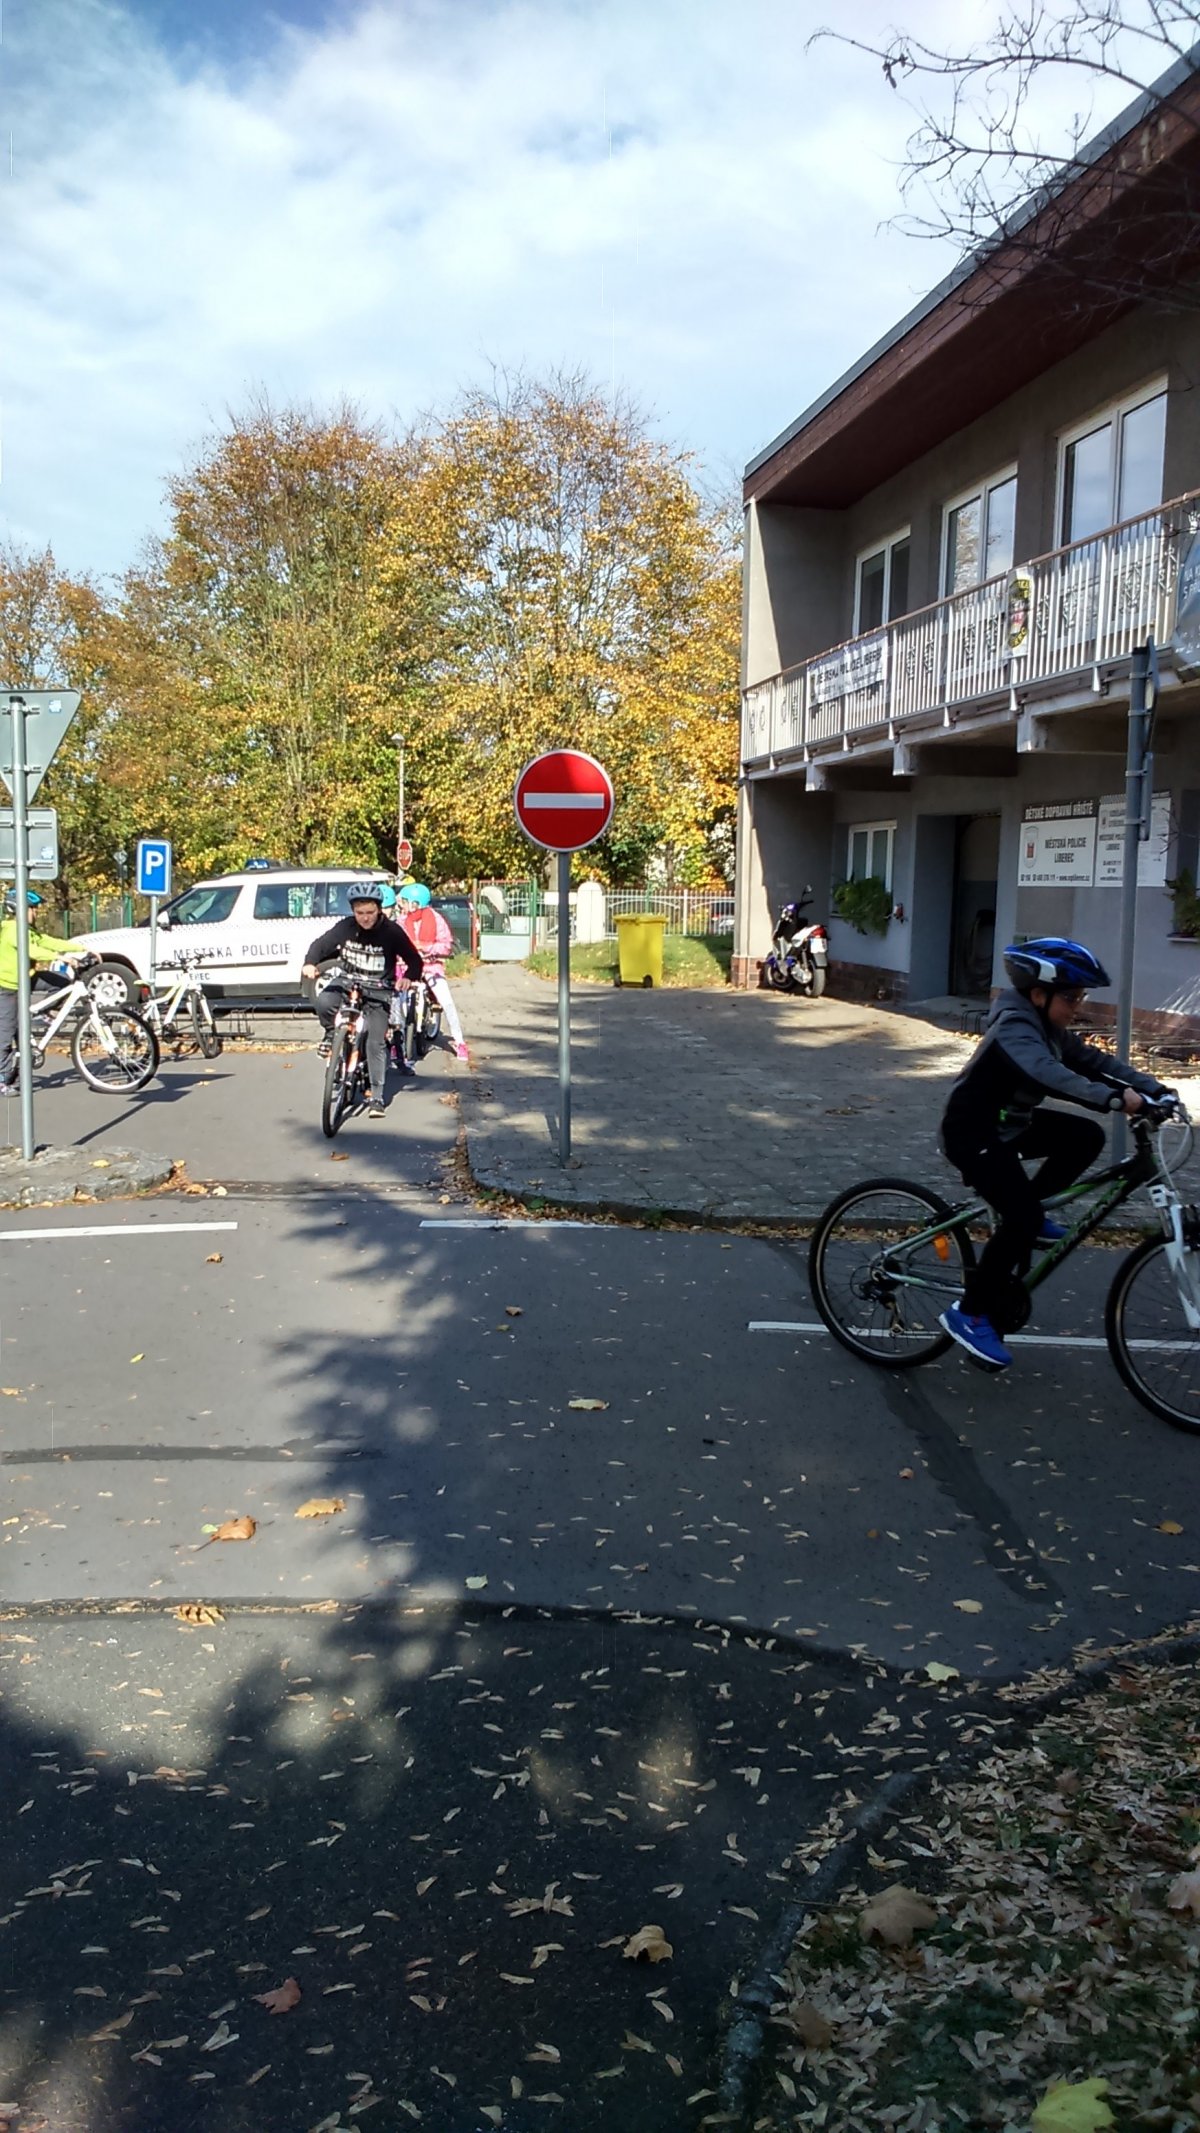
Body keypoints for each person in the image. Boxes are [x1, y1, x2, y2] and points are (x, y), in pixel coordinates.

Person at [938, 936, 1173, 1371]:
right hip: (971, 1131)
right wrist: (1115, 1099)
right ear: (1038, 994)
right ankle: (969, 1314)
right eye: (1071, 997)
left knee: (1085, 1137)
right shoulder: (1015, 1028)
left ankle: (1028, 1213)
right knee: (1022, 1218)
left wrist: (1154, 1088)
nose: (1077, 1006)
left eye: (1080, 997)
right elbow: (1050, 1074)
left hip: (1010, 1126)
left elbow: (1094, 1062)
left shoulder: (1048, 1028)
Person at [302, 883, 423, 1118]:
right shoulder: (345, 927)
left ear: (379, 910)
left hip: (378, 990)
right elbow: (320, 945)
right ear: (353, 911)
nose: (365, 918)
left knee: (375, 1043)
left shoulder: (392, 932)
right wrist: (310, 963)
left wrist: (408, 977)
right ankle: (331, 1034)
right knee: (324, 1001)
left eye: (370, 912)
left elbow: (414, 960)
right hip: (348, 982)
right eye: (360, 913)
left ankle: (376, 1096)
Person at [0, 889, 77, 1088]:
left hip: (28, 979)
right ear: (18, 909)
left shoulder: (29, 930)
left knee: (62, 982)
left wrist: (82, 948)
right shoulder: (12, 930)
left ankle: (42, 1013)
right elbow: (32, 950)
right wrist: (60, 957)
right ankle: (2, 1079)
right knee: (7, 1034)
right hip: (8, 987)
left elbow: (47, 941)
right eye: (32, 909)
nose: (36, 913)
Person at [396, 883, 470, 1060]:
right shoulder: (401, 921)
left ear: (415, 904)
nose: (402, 906)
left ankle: (459, 1042)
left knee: (447, 1001)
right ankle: (395, 1040)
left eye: (405, 902)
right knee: (397, 1001)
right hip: (408, 966)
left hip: (431, 965)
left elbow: (446, 945)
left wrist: (427, 948)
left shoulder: (437, 920)